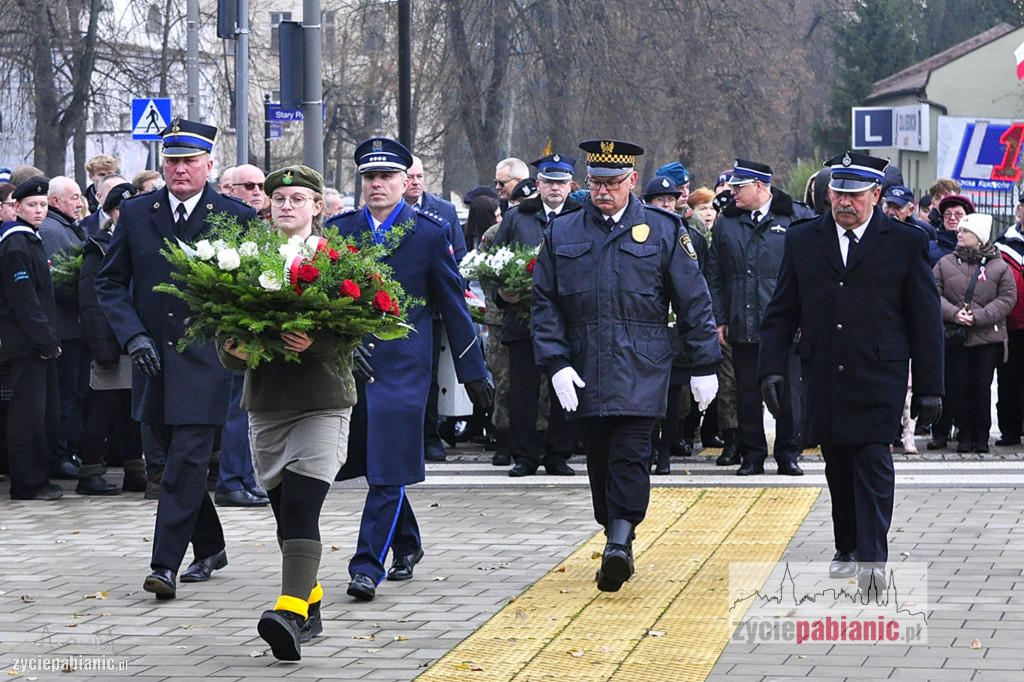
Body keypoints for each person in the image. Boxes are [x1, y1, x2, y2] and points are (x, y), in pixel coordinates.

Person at [532, 139, 721, 592]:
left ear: (632, 181)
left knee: (631, 454)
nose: (603, 192)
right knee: (598, 459)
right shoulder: (563, 232)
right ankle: (615, 530)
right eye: (596, 183)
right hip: (585, 366)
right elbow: (545, 303)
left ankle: (619, 542)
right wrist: (556, 362)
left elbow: (694, 301)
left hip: (643, 365)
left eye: (613, 183)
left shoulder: (662, 229)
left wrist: (705, 364)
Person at [758, 151, 943, 596]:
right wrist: (769, 371)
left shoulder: (904, 242)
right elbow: (782, 311)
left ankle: (872, 560)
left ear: (876, 196)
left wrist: (932, 389)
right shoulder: (803, 240)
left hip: (880, 373)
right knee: (837, 463)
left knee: (872, 462)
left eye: (855, 194)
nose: (844, 201)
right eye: (838, 192)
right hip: (824, 371)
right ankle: (846, 548)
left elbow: (925, 321)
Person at [95, 117, 258, 600]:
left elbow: (249, 288)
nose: (179, 170)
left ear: (209, 164)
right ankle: (210, 545)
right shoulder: (139, 212)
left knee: (187, 460)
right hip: (151, 360)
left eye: (188, 161)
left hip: (206, 363)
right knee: (168, 465)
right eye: (171, 161)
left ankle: (164, 564)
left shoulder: (235, 216)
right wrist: (133, 337)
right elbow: (110, 282)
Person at [326, 137, 493, 602]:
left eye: (386, 177)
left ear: (405, 182)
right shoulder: (341, 230)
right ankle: (408, 543)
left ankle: (365, 565)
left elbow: (453, 306)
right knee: (380, 463)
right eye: (369, 177)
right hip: (354, 366)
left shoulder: (428, 232)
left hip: (406, 366)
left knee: (385, 468)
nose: (376, 184)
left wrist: (472, 372)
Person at [218, 165, 364, 661]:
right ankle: (312, 603)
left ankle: (287, 612)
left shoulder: (337, 260)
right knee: (286, 519)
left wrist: (317, 339)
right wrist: (234, 349)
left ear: (317, 207)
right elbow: (223, 328)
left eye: (297, 198)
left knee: (302, 506)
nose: (285, 205)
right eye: (278, 198)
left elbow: (359, 326)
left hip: (323, 401)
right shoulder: (244, 258)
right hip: (267, 405)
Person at [708, 159, 813, 477]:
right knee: (747, 393)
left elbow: (811, 274)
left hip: (786, 327)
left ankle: (787, 453)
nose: (732, 193)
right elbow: (715, 275)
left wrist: (805, 318)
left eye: (739, 187)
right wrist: (721, 317)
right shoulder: (727, 222)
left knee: (789, 393)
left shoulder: (797, 217)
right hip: (743, 320)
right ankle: (752, 454)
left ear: (759, 187)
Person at [492, 153, 580, 477]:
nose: (555, 188)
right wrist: (501, 294)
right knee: (523, 392)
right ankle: (525, 455)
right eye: (549, 181)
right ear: (538, 184)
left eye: (561, 182)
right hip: (523, 318)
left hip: (568, 320)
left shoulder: (581, 215)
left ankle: (559, 454)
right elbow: (494, 262)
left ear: (571, 185)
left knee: (564, 389)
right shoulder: (518, 218)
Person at [76, 182, 146, 495]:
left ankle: (135, 470)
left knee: (134, 413)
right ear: (114, 212)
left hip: (134, 342)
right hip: (110, 345)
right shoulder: (100, 247)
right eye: (124, 209)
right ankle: (89, 472)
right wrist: (102, 347)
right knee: (102, 411)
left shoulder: (136, 243)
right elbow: (92, 304)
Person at [0, 178, 64, 500]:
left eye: (43, 205)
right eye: (31, 206)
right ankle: (28, 483)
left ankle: (39, 478)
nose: (39, 211)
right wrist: (45, 342)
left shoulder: (30, 241)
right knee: (27, 416)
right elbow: (24, 302)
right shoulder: (16, 245)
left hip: (37, 345)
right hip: (26, 348)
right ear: (17, 208)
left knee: (42, 414)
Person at [403, 155, 467, 463]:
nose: (416, 182)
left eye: (420, 176)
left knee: (428, 377)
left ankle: (429, 437)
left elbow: (458, 261)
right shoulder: (385, 210)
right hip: (392, 309)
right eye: (410, 176)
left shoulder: (444, 211)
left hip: (430, 311)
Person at [934, 213, 1015, 453]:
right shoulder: (945, 263)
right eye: (959, 231)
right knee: (958, 388)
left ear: (979, 237)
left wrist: (978, 317)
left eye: (965, 232)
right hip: (956, 336)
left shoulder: (999, 266)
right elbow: (933, 293)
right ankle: (964, 436)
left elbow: (1008, 298)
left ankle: (981, 436)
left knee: (981, 388)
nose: (959, 235)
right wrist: (953, 314)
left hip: (987, 339)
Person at [38, 175, 87, 480]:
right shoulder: (52, 232)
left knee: (75, 395)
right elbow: (58, 281)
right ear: (56, 201)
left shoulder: (64, 227)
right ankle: (59, 455)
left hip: (75, 329)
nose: (80, 203)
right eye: (74, 197)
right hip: (65, 330)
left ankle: (68, 451)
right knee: (64, 398)